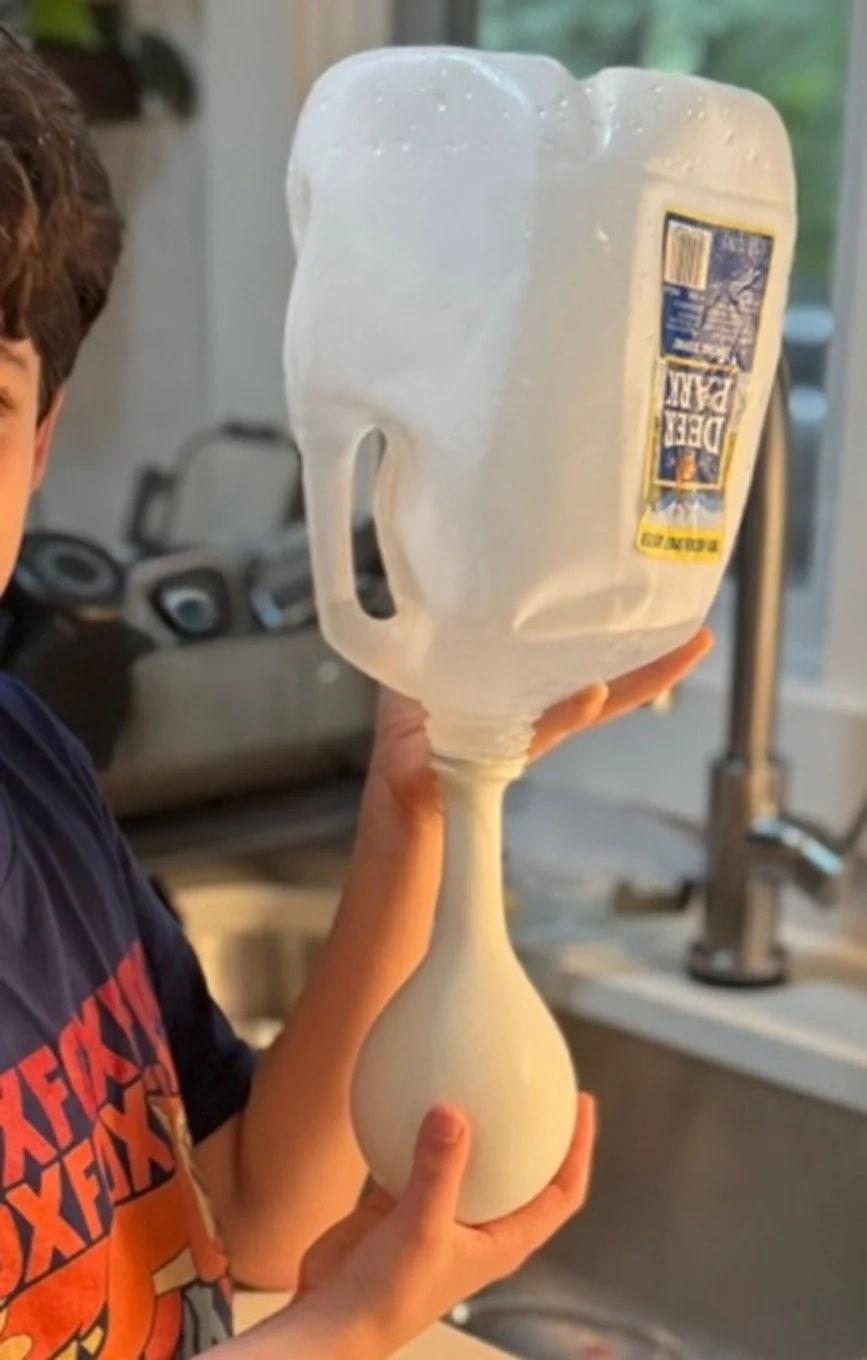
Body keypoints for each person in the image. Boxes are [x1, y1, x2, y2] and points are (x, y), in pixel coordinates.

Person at [0, 32, 713, 1360]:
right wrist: (351, 1324)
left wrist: (415, 815)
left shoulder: (25, 765)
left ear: (40, 443)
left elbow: (249, 1206)